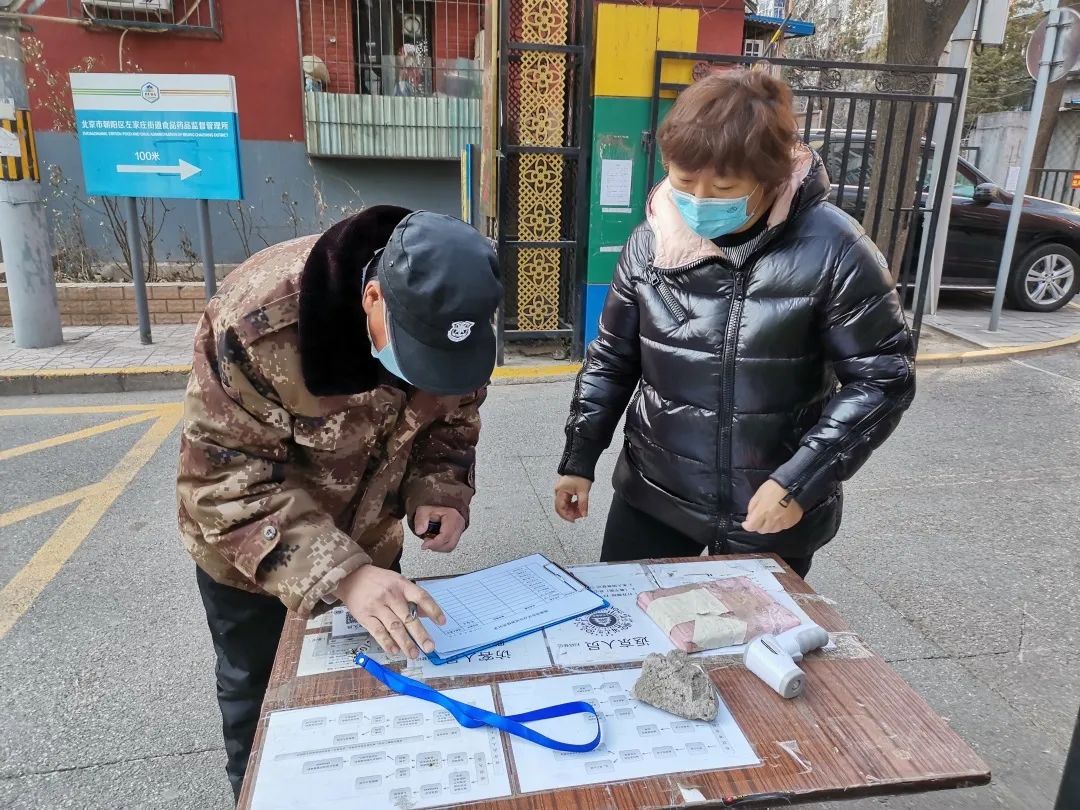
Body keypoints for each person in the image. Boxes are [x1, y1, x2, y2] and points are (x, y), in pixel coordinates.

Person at [177, 207, 501, 801]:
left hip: (373, 551)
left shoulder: (458, 321)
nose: (430, 374)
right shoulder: (261, 321)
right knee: (263, 710)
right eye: (419, 353)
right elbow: (224, 483)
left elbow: (452, 424)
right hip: (254, 562)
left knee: (370, 703)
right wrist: (343, 575)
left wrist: (441, 490)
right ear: (373, 299)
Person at [554, 70, 915, 577]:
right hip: (654, 492)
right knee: (636, 615)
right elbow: (612, 360)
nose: (700, 200)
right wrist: (579, 459)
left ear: (769, 177)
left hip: (770, 506)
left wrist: (799, 480)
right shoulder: (650, 243)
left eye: (723, 186)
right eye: (684, 181)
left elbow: (882, 378)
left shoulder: (836, 249)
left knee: (748, 629)